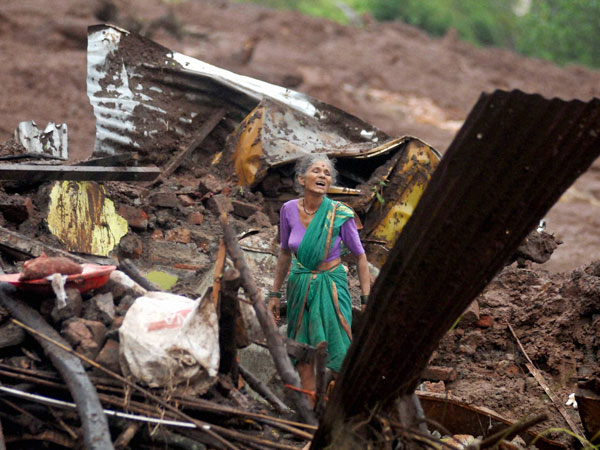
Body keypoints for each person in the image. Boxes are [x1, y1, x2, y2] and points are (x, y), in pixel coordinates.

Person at [267, 154, 371, 406]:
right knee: (303, 350)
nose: (323, 176)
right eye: (316, 171)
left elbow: (360, 257)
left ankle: (338, 409)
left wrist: (366, 299)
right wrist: (274, 293)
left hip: (331, 286)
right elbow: (284, 253)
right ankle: (309, 412)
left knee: (338, 347)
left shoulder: (339, 214)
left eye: (327, 173)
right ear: (301, 179)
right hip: (299, 285)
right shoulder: (288, 209)